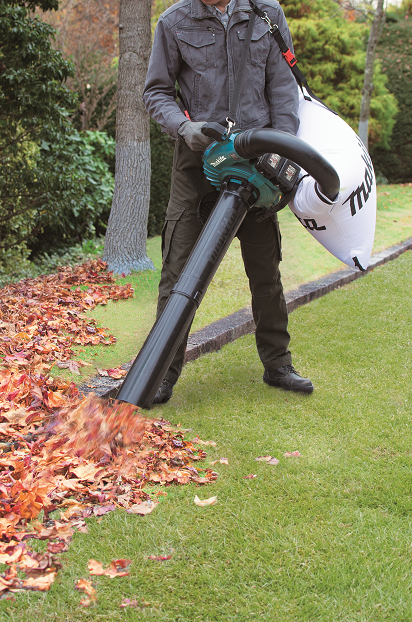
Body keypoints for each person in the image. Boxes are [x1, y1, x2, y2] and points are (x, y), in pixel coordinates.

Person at [143, 0, 313, 404]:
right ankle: (161, 373)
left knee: (265, 269)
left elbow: (283, 89)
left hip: (256, 161)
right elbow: (157, 92)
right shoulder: (174, 21)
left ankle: (278, 364)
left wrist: (282, 150)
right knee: (178, 272)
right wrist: (185, 127)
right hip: (197, 161)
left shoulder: (267, 14)